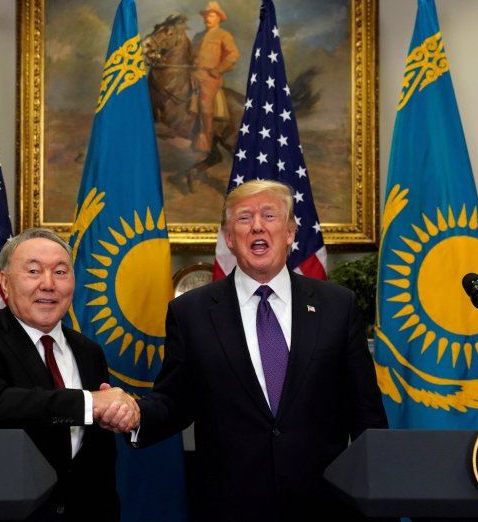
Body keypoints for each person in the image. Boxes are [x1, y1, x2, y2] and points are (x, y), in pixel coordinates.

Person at [117, 180, 389, 521]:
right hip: (228, 505)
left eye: (270, 215)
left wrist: (380, 501)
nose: (257, 225)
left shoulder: (337, 306)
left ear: (290, 233)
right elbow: (175, 401)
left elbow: (366, 414)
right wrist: (136, 415)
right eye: (244, 218)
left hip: (324, 503)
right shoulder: (191, 312)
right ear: (229, 238)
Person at [0, 227, 137, 522]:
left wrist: (123, 412)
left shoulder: (89, 351)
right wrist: (90, 404)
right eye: (34, 271)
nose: (48, 284)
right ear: (5, 283)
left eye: (60, 272)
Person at [190, 0, 240, 154]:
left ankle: (206, 136)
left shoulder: (224, 35)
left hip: (210, 77)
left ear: (219, 18)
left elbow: (234, 54)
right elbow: (192, 55)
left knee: (205, 100)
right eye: (206, 16)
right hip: (194, 74)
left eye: (211, 16)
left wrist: (219, 70)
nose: (207, 19)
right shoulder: (198, 36)